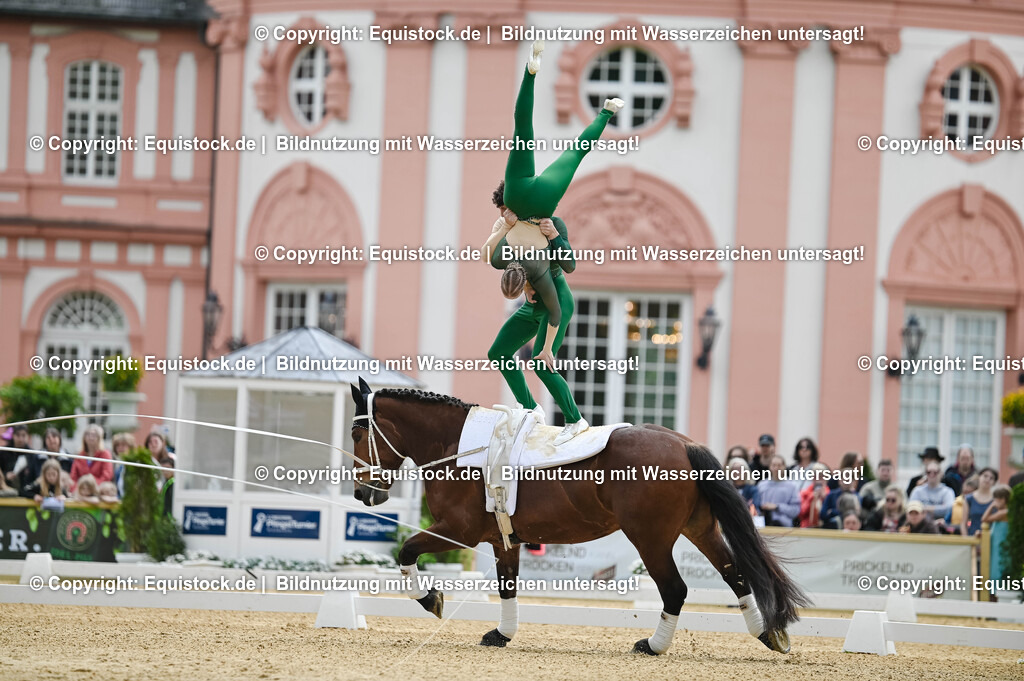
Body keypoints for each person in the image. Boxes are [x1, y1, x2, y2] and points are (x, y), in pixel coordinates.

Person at [483, 41, 623, 447]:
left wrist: (554, 234)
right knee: (498, 354)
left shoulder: (546, 224)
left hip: (555, 301)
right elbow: (492, 255)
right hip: (534, 305)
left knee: (544, 364)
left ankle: (576, 420)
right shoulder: (510, 226)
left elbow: (570, 271)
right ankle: (529, 409)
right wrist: (506, 225)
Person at [755, 454, 800, 526]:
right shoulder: (761, 485)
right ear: (769, 467)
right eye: (774, 465)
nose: (776, 468)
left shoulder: (792, 486)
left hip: (784, 527)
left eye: (779, 465)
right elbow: (755, 507)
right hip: (763, 526)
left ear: (784, 466)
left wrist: (777, 507)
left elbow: (795, 511)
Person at [960, 468, 997, 537]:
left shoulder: (996, 500)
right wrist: (966, 540)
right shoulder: (969, 499)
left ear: (994, 482)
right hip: (973, 538)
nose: (987, 479)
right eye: (985, 476)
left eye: (991, 478)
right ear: (979, 477)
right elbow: (963, 523)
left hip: (991, 538)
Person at [798, 462, 831, 528]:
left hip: (825, 528)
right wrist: (812, 497)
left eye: (821, 476)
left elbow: (830, 513)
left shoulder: (831, 494)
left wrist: (825, 498)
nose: (818, 480)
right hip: (807, 527)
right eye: (816, 476)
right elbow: (801, 513)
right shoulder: (804, 493)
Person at [110, 432, 136, 498]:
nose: (120, 448)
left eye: (123, 445)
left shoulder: (135, 463)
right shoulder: (119, 467)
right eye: (117, 445)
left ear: (130, 447)